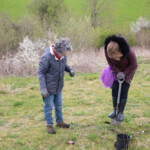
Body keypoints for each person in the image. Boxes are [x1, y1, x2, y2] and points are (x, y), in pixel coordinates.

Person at [38, 38, 75, 134]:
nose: (66, 54)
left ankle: (59, 122)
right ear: (59, 51)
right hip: (48, 88)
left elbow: (64, 65)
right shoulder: (47, 57)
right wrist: (43, 88)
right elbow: (41, 72)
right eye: (65, 52)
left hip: (59, 86)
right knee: (49, 106)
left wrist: (70, 70)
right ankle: (49, 125)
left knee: (59, 105)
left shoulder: (62, 56)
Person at [104, 35, 138, 122]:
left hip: (128, 73)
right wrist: (118, 72)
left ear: (120, 52)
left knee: (123, 91)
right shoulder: (108, 51)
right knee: (115, 89)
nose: (115, 59)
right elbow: (111, 63)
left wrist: (124, 74)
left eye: (117, 57)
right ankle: (115, 111)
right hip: (116, 72)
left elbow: (134, 65)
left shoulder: (129, 52)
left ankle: (121, 112)